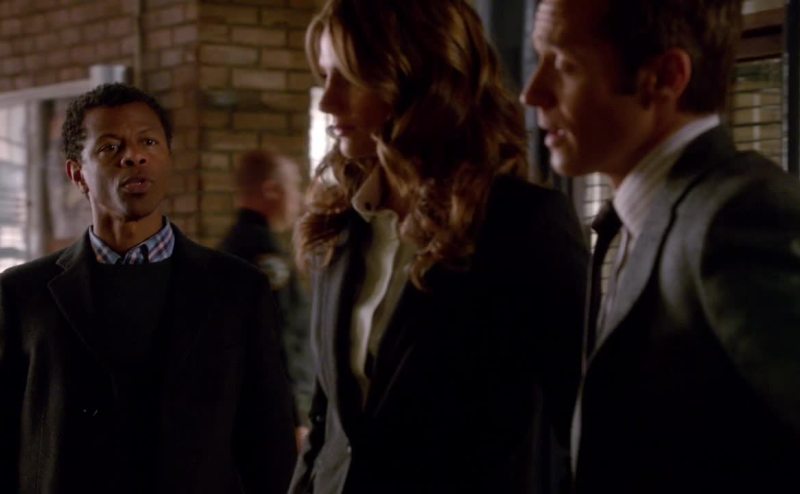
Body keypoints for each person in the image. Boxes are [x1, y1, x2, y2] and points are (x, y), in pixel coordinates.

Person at [289, 1, 588, 493]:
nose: (328, 103)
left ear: (417, 78)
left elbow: (579, 423)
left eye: (350, 78)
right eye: (326, 76)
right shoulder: (339, 225)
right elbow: (327, 424)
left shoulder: (523, 224)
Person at [520, 0, 800, 492]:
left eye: (565, 64)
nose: (532, 93)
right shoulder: (644, 214)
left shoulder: (736, 215)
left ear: (666, 77)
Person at [0, 83, 296, 494]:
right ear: (77, 174)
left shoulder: (237, 289)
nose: (134, 156)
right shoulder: (23, 294)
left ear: (168, 157)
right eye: (110, 147)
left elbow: (269, 441)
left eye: (149, 142)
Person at [219, 149, 314, 450]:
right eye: (293, 187)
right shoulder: (263, 252)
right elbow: (277, 336)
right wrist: (295, 417)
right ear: (271, 190)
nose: (298, 200)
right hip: (269, 415)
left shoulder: (232, 246)